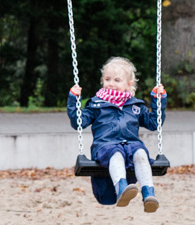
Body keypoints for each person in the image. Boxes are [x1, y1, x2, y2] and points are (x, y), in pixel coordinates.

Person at [68, 56, 167, 211]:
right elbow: (78, 122)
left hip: (131, 145)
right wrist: (73, 100)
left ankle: (148, 193)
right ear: (102, 81)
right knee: (116, 153)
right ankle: (121, 189)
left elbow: (154, 123)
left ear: (129, 84)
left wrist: (158, 101)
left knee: (141, 153)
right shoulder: (96, 104)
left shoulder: (135, 105)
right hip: (105, 146)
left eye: (117, 80)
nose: (111, 84)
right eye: (107, 79)